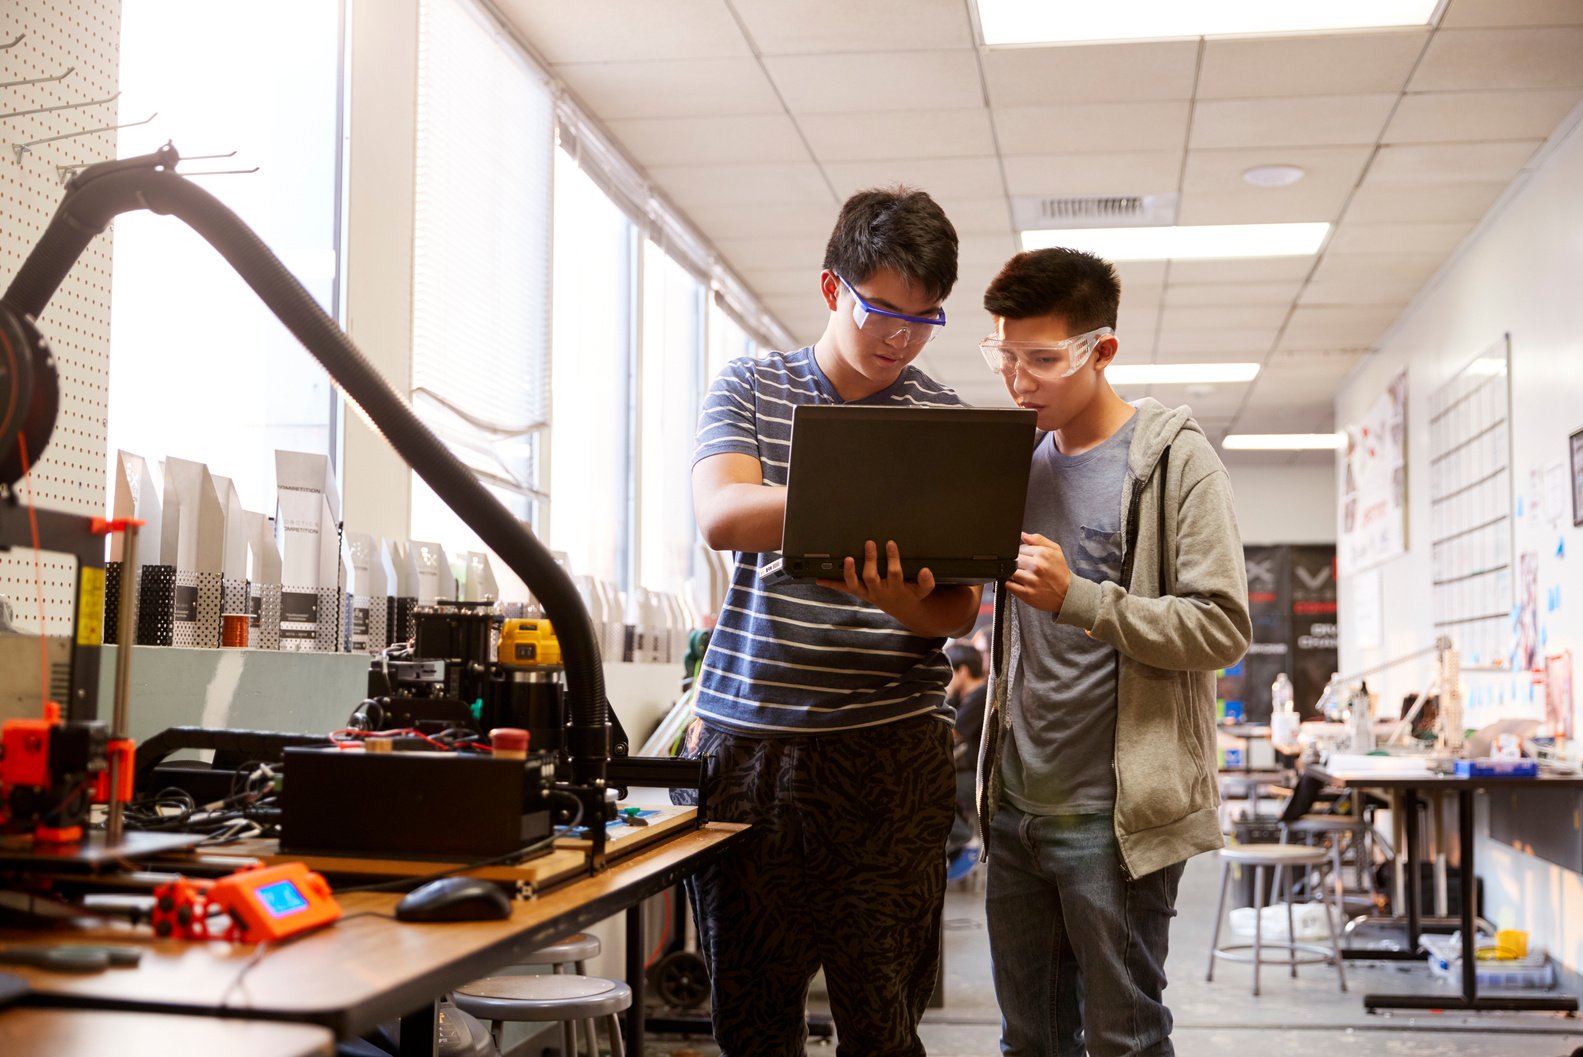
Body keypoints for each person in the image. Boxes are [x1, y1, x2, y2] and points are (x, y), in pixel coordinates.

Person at [679, 185, 980, 1057]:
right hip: (748, 750)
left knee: (882, 1025)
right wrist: (860, 496)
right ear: (829, 289)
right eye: (882, 309)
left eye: (925, 318)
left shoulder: (939, 420)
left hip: (889, 751)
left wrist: (895, 599)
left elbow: (956, 606)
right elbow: (723, 513)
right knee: (752, 1020)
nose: (900, 337)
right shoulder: (751, 386)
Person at [975, 247, 1252, 1057]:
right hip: (1017, 806)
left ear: (1101, 350)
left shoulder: (1173, 461)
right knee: (1027, 1040)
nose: (1018, 380)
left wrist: (1081, 598)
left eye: (1041, 359)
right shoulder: (1012, 466)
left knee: (1123, 1037)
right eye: (1003, 355)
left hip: (1116, 817)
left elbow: (1222, 624)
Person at [945, 640, 988, 871]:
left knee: (934, 787)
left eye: (950, 671)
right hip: (966, 773)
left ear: (962, 671)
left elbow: (951, 733)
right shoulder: (964, 697)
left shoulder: (980, 695)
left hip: (979, 778)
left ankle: (965, 840)